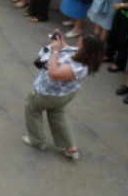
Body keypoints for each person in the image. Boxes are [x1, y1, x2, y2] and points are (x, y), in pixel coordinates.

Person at [22, 32, 102, 160]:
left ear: (85, 48)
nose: (78, 44)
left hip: (48, 94)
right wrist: (61, 41)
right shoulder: (86, 57)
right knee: (57, 113)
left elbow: (53, 73)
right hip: (65, 94)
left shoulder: (78, 67)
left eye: (80, 43)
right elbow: (68, 49)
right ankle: (70, 147)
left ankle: (37, 141)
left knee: (32, 110)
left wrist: (55, 52)